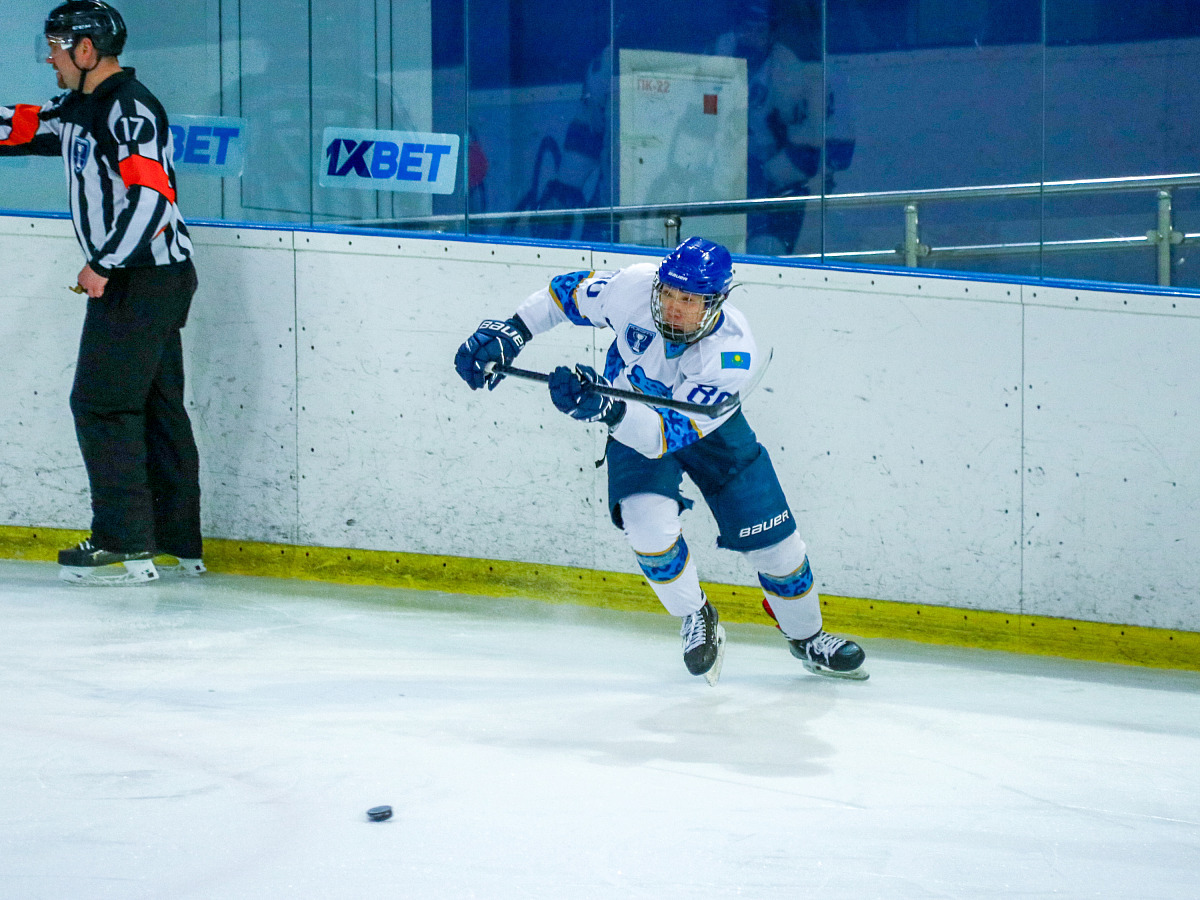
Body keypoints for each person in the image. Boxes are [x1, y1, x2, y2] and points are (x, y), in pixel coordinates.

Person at [454, 237, 867, 683]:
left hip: (709, 432)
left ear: (715, 302)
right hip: (630, 412)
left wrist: (603, 409)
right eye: (668, 293)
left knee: (777, 547)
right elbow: (565, 292)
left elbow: (661, 437)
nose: (672, 307)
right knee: (647, 527)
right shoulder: (632, 287)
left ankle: (807, 638)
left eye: (688, 300)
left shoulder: (730, 355)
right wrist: (514, 330)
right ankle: (696, 614)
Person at [0, 1, 204, 585]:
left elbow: (152, 197)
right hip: (149, 278)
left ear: (86, 50)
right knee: (156, 408)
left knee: (100, 405)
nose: (50, 58)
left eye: (56, 47)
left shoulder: (128, 109)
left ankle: (122, 542)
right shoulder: (80, 107)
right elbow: (22, 128)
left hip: (141, 279)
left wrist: (104, 262)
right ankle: (174, 543)